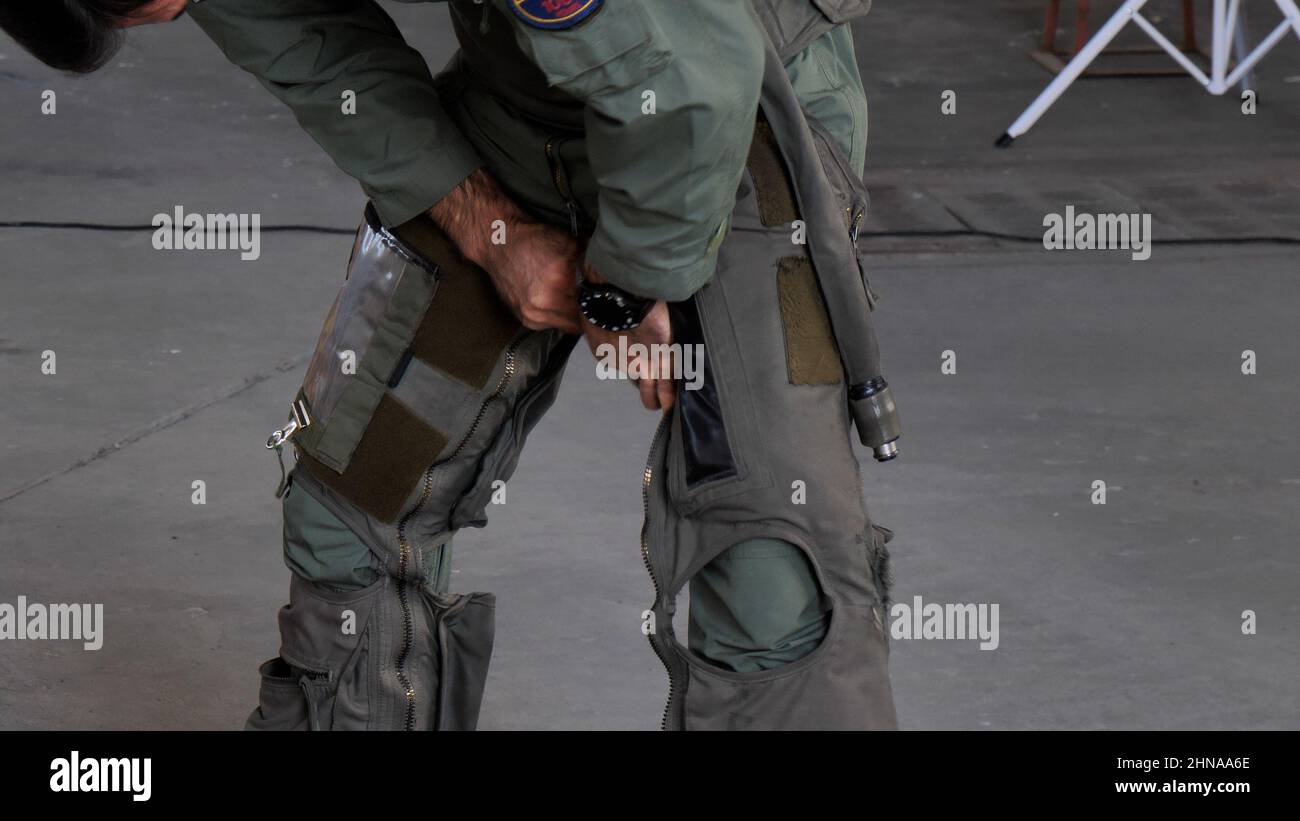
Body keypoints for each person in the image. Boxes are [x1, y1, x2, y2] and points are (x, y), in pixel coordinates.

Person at [2, 0, 900, 730]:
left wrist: (627, 288)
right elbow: (313, 46)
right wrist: (485, 224)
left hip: (737, 118)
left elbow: (689, 90)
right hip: (522, 109)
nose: (155, 18)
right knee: (353, 495)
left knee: (770, 552)